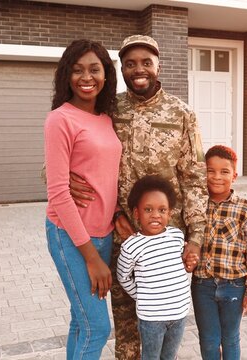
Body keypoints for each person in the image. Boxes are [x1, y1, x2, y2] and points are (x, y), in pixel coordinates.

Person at [70, 34, 208, 359]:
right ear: (122, 68)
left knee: (163, 323)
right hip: (119, 237)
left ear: (158, 65)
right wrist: (61, 177)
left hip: (166, 242)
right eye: (130, 63)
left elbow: (195, 178)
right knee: (126, 326)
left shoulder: (182, 114)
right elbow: (68, 149)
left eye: (146, 62)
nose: (138, 69)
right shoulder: (106, 109)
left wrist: (196, 238)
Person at [43, 39, 120, 359]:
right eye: (77, 70)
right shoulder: (60, 119)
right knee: (98, 328)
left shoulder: (106, 118)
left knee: (82, 321)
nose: (86, 77)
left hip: (105, 233)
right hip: (71, 237)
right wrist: (91, 257)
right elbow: (59, 192)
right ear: (66, 76)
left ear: (105, 75)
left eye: (94, 69)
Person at [192, 145, 247, 360]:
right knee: (209, 339)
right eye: (210, 171)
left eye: (224, 172)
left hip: (234, 287)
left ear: (235, 176)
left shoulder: (245, 208)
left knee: (230, 338)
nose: (216, 177)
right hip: (202, 285)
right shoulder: (196, 205)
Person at [116, 175, 191, 360]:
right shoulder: (131, 246)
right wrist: (141, 294)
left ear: (169, 213)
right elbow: (123, 276)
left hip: (180, 313)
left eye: (162, 210)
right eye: (148, 209)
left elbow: (177, 266)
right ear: (136, 213)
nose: (156, 215)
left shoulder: (176, 235)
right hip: (152, 319)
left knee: (170, 356)